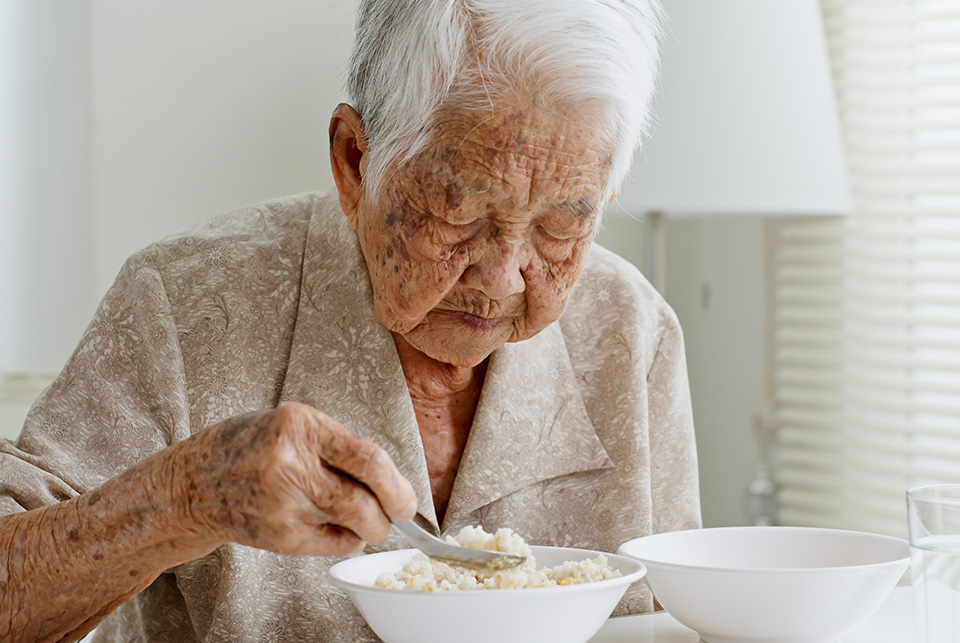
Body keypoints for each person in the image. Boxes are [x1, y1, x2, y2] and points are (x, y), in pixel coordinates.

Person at [0, 0, 700, 640]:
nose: (504, 276)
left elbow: (679, 621)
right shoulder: (185, 305)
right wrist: (182, 498)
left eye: (560, 224)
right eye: (461, 212)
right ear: (355, 161)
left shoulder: (631, 331)